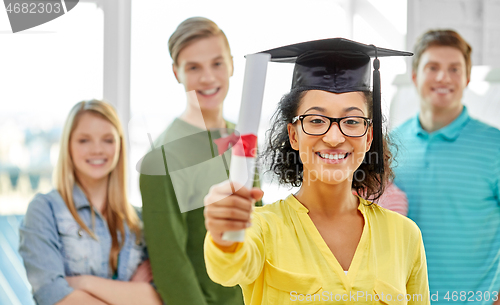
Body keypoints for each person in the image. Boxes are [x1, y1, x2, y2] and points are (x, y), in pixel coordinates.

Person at [203, 38, 430, 305]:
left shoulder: (404, 235)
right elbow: (228, 268)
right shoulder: (262, 229)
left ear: (369, 137)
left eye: (352, 121)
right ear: (294, 135)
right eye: (316, 120)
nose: (334, 137)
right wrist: (224, 236)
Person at [139, 17, 260, 304]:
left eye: (217, 63)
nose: (207, 78)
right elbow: (171, 267)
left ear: (231, 64)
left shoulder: (244, 138)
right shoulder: (161, 159)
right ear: (176, 72)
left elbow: (260, 227)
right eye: (193, 67)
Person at [392, 29, 500, 304]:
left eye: (454, 68)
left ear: (467, 78)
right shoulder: (388, 147)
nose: (443, 77)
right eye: (433, 67)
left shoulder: (495, 145)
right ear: (415, 77)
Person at [19, 100, 162, 305]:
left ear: (119, 145)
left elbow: (156, 300)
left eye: (108, 140)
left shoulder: (139, 222)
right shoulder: (45, 210)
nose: (97, 149)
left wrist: (84, 283)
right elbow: (52, 296)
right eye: (84, 140)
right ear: (68, 145)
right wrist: (129, 292)